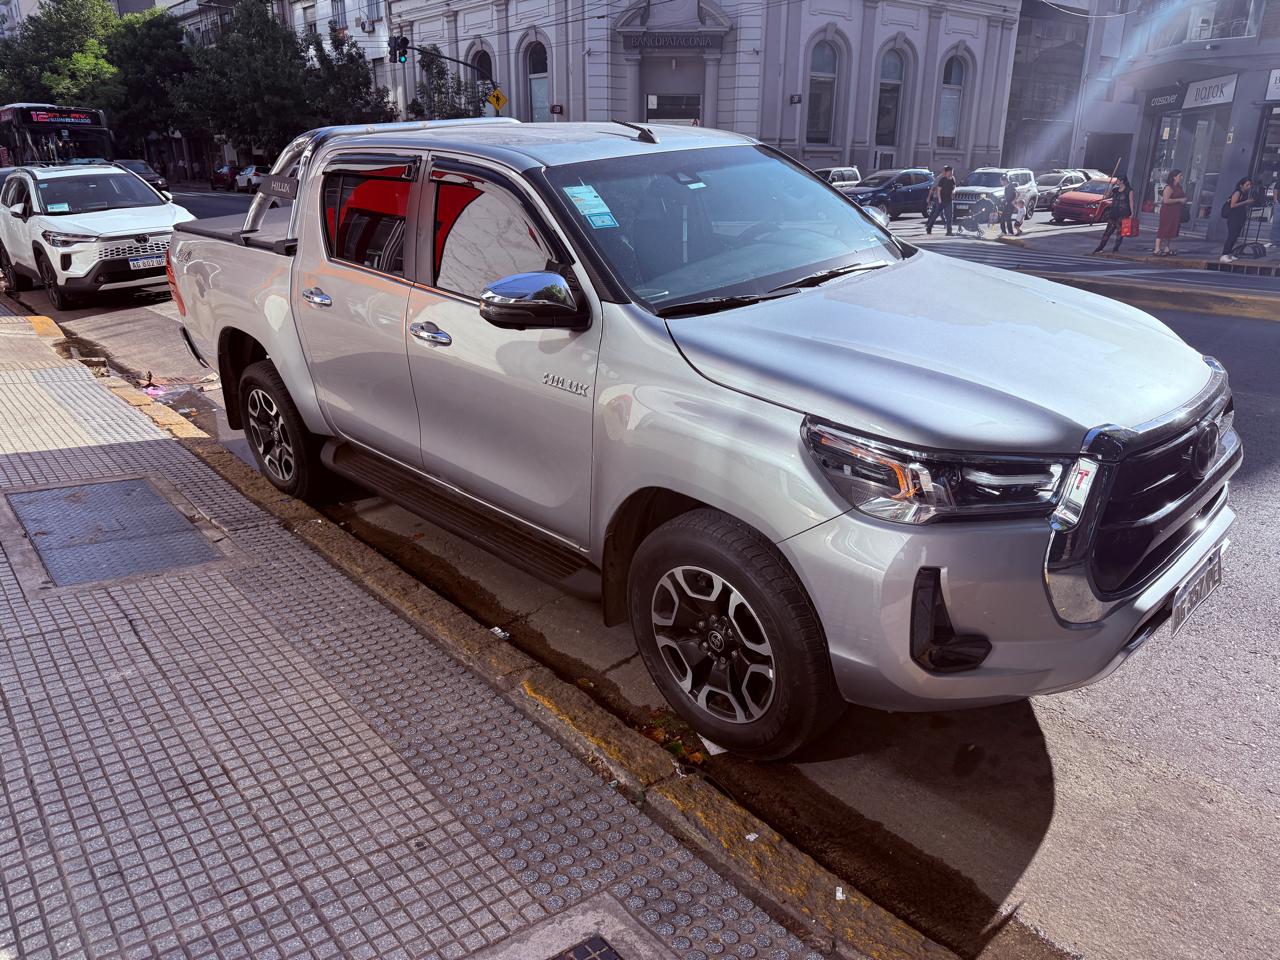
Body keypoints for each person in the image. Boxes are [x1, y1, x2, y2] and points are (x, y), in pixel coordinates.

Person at [1093, 176, 1133, 253]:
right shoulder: (1115, 190)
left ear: (1122, 181)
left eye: (1118, 180)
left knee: (1120, 233)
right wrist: (1111, 186)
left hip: (1123, 214)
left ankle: (1115, 248)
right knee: (1107, 232)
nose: (1116, 181)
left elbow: (1131, 202)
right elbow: (1107, 196)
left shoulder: (1129, 190)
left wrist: (1132, 213)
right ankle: (1100, 247)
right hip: (1113, 213)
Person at [1220, 176, 1255, 263]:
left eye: (1250, 185)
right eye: (1247, 185)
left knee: (1235, 236)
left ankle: (1229, 253)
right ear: (1241, 185)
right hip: (1234, 217)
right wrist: (1246, 202)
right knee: (1232, 235)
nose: (1249, 187)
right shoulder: (1238, 192)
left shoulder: (1244, 193)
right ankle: (1224, 254)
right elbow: (1233, 205)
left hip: (1240, 216)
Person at [1154, 169, 1187, 257]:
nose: (1181, 177)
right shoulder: (1169, 187)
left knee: (1171, 229)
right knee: (1163, 229)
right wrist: (1179, 200)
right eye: (1180, 176)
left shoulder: (1179, 187)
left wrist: (1184, 200)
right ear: (1174, 177)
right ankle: (1157, 249)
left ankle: (1167, 248)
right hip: (1168, 211)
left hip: (1176, 211)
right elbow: (1166, 200)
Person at [925, 165, 956, 236]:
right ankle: (929, 227)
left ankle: (949, 231)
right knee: (935, 214)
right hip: (941, 201)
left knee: (949, 216)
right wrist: (939, 200)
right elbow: (938, 190)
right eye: (950, 172)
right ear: (946, 172)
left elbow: (954, 186)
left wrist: (954, 191)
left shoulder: (952, 179)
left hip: (949, 200)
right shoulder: (942, 179)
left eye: (952, 172)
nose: (951, 173)